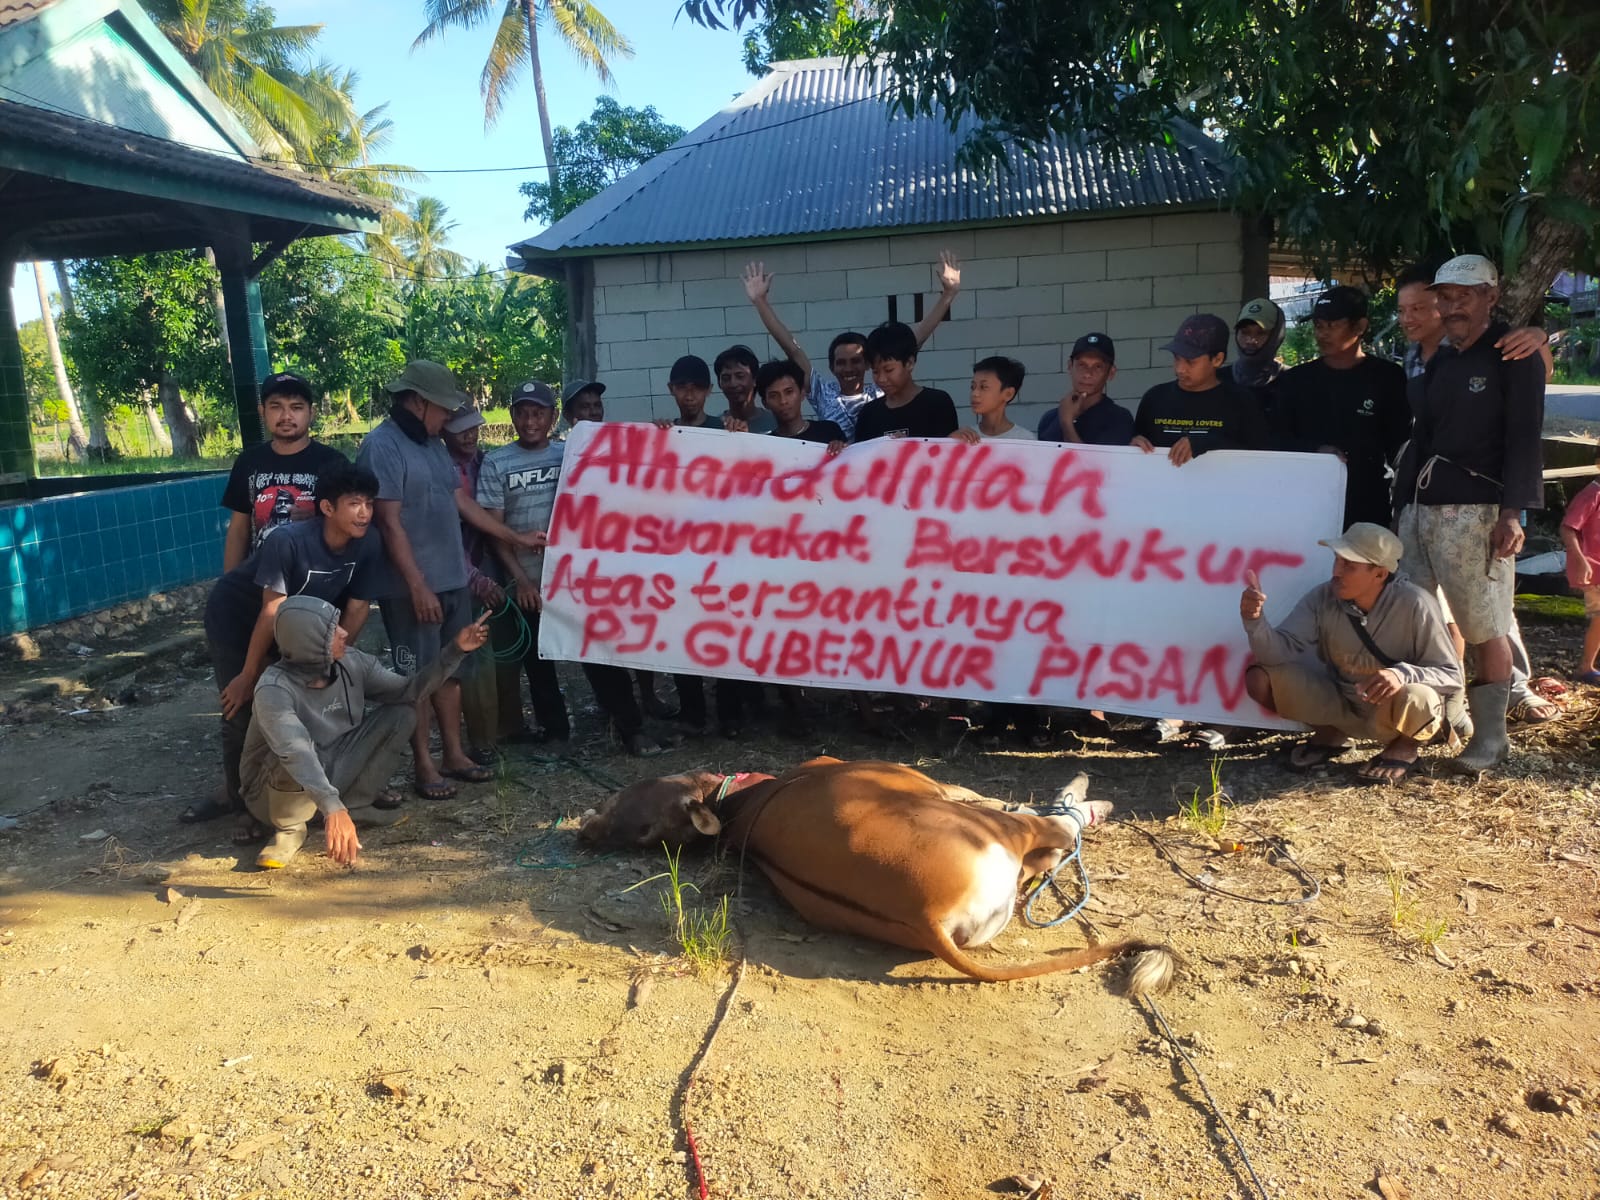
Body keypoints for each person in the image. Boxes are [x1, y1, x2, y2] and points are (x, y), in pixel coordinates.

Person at [356, 360, 549, 800]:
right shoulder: (381, 446)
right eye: (443, 408)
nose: (448, 418)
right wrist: (417, 585)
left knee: (453, 670)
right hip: (411, 588)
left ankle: (454, 754)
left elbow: (460, 501)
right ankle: (424, 765)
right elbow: (387, 523)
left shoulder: (431, 444)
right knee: (419, 677)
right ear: (418, 401)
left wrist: (513, 536)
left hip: (450, 579)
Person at [1391, 255, 1546, 775]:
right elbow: (1424, 435)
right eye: (1446, 296)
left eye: (1464, 295)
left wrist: (1513, 515)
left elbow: (1525, 440)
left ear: (1490, 298)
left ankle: (1491, 740)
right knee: (1418, 618)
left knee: (1485, 626)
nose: (1452, 306)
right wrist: (1405, 504)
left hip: (1478, 511)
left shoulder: (1514, 354)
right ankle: (1442, 715)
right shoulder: (1444, 358)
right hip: (1420, 508)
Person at [191, 462, 384, 834]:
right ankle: (243, 803)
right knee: (241, 709)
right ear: (327, 508)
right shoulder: (289, 540)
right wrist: (249, 672)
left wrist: (333, 660)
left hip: (302, 628)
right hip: (238, 618)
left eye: (369, 504)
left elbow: (359, 606)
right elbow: (271, 610)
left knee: (316, 703)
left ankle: (319, 794)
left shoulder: (369, 542)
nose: (364, 513)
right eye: (354, 503)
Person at [242, 597, 491, 869]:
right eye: (332, 630)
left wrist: (455, 651)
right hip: (270, 795)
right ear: (309, 642)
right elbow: (294, 751)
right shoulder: (273, 689)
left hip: (331, 770)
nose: (344, 633)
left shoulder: (352, 662)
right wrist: (332, 807)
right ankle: (290, 828)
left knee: (403, 713)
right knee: (292, 756)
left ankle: (355, 805)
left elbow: (410, 690)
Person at [1240, 523, 1462, 783]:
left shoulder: (1416, 603)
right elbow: (1275, 654)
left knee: (1419, 695)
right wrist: (1254, 620)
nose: (1336, 572)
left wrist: (1401, 675)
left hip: (1393, 711)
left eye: (1349, 566)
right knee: (1261, 680)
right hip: (1343, 703)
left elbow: (1451, 675)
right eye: (1337, 561)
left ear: (1379, 574)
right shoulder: (1322, 597)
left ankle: (1406, 747)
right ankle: (1332, 735)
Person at [741, 253, 962, 439]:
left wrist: (948, 295)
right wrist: (760, 302)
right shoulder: (822, 393)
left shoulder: (880, 390)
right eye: (841, 363)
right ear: (832, 367)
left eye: (856, 361)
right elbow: (792, 348)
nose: (849, 368)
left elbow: (911, 341)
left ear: (867, 364)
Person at [477, 380, 571, 745]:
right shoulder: (497, 462)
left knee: (594, 654)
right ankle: (557, 731)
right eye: (523, 412)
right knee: (537, 660)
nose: (530, 421)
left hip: (574, 580)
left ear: (553, 415)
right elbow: (494, 530)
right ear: (513, 415)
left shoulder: (570, 455)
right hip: (526, 579)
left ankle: (622, 721)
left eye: (539, 413)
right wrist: (523, 581)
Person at [1270, 286, 1410, 528]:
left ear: (1360, 327)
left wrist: (1402, 504)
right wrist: (1315, 450)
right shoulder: (1295, 380)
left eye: (1332, 326)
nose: (1322, 334)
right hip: (1306, 506)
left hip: (1368, 506)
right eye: (1318, 326)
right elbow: (1275, 439)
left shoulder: (1387, 378)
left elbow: (1401, 448)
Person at [220, 371, 348, 571]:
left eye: (296, 408)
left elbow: (349, 526)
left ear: (311, 413)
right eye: (276, 407)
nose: (286, 416)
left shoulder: (333, 462)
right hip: (260, 580)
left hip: (318, 580)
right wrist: (229, 586)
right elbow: (238, 530)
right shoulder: (249, 461)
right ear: (262, 412)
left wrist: (316, 522)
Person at [442, 405, 507, 761]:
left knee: (498, 653)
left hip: (488, 565)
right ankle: (482, 742)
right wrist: (477, 580)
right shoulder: (441, 471)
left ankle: (506, 728)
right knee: (474, 655)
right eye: (460, 429)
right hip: (459, 574)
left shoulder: (486, 463)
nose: (469, 435)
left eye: (473, 429)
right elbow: (446, 538)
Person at [1132, 314, 1270, 464]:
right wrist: (1132, 446)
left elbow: (1261, 459)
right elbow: (1136, 449)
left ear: (1217, 359)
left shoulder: (1241, 402)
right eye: (1177, 358)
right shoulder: (1154, 398)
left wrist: (1210, 443)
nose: (1180, 369)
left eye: (1190, 361)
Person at [852, 321, 961, 442]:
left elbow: (947, 452)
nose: (881, 379)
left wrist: (909, 447)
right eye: (875, 372)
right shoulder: (868, 414)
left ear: (909, 363)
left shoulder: (937, 403)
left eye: (889, 370)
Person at [1036, 333, 1135, 445]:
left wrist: (1067, 423)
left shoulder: (1119, 418)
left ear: (1111, 373)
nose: (1087, 374)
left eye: (1098, 367)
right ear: (1070, 366)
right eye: (1081, 365)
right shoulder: (1049, 418)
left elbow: (1090, 463)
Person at [1560, 455, 1600, 685]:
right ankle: (1586, 667)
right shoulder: (1591, 494)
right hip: (1594, 569)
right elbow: (1567, 528)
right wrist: (1581, 559)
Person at [756, 359, 844, 444]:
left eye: (789, 392)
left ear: (802, 393)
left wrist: (841, 449)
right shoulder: (766, 444)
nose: (783, 401)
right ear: (765, 403)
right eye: (774, 396)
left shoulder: (829, 431)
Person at [954, 356, 1034, 442]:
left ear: (1008, 394)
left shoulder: (1025, 440)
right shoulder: (965, 437)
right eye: (973, 387)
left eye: (984, 387)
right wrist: (950, 441)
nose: (974, 394)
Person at [714, 345, 778, 433]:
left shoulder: (776, 422)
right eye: (726, 378)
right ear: (719, 383)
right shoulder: (714, 427)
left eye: (740, 376)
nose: (733, 384)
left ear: (755, 379)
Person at [1231, 298, 1287, 394]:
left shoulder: (1293, 382)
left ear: (1276, 336)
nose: (1251, 340)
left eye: (1261, 333)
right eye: (1245, 332)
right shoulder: (1216, 381)